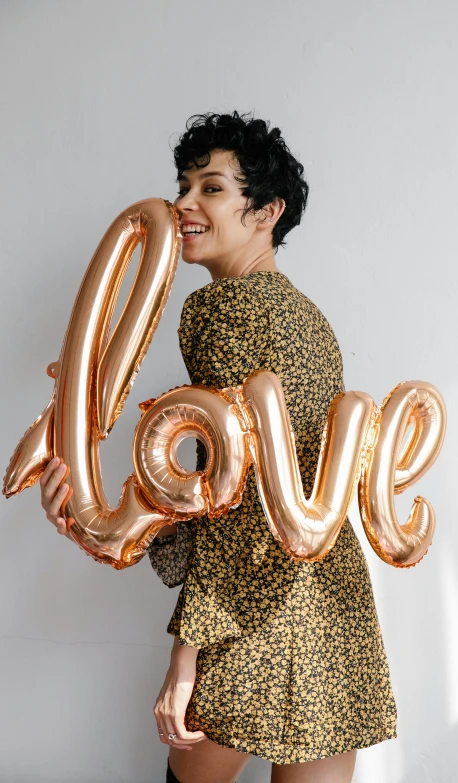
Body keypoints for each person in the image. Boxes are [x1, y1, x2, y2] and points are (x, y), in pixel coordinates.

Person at [39, 111, 397, 783]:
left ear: (268, 211)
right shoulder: (305, 316)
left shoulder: (221, 311)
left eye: (211, 188)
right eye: (182, 186)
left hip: (255, 613)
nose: (182, 204)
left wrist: (186, 658)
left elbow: (235, 507)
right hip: (331, 610)